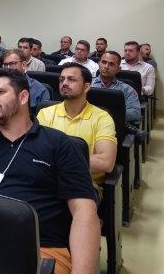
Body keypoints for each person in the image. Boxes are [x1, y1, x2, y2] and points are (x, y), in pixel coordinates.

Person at [0, 69, 100, 274]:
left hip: (40, 247)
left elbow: (84, 211)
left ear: (23, 97)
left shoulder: (59, 143)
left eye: (0, 92)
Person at [37, 63, 117, 198]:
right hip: (46, 181)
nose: (64, 83)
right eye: (61, 79)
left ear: (86, 87)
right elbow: (36, 153)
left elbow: (106, 162)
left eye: (71, 79)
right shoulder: (45, 113)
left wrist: (57, 160)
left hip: (83, 183)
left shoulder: (102, 118)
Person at [93, 51, 143, 136]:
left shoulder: (127, 89)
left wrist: (109, 115)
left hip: (114, 131)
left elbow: (135, 112)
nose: (106, 66)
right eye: (104, 62)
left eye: (111, 64)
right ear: (99, 64)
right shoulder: (87, 85)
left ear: (118, 69)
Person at [2, 49, 50, 114]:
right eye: (5, 64)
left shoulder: (39, 90)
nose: (8, 68)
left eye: (12, 64)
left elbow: (45, 116)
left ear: (23, 65)